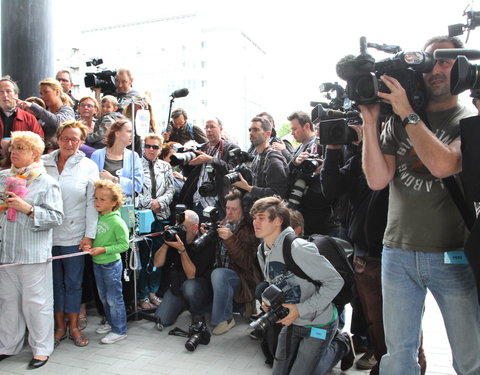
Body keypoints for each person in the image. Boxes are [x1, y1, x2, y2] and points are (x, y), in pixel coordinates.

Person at [361, 35, 480, 375]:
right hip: (397, 252)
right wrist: (371, 121)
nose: (436, 69)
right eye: (430, 61)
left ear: (462, 67)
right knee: (398, 357)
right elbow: (377, 180)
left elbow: (443, 165)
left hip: (452, 253)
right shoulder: (397, 120)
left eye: (445, 61)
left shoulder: (466, 121)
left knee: (470, 359)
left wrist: (408, 113)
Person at [250, 196, 352, 375]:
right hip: (291, 321)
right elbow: (274, 282)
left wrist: (301, 309)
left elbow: (335, 282)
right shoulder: (262, 251)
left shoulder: (298, 248)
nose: (255, 223)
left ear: (278, 221)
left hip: (318, 323)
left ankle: (341, 343)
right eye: (254, 218)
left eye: (261, 218)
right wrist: (268, 301)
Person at [0, 131, 63, 369]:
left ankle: (41, 349)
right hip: (6, 253)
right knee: (7, 302)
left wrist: (28, 209)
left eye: (20, 149)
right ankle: (7, 345)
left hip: (33, 254)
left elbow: (57, 217)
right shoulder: (3, 177)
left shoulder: (47, 182)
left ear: (35, 154)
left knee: (36, 303)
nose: (13, 152)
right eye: (13, 148)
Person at [42, 121, 99, 349]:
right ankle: (58, 327)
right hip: (45, 234)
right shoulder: (43, 162)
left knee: (73, 283)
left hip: (75, 234)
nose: (69, 143)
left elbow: (92, 204)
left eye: (75, 139)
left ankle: (74, 326)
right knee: (53, 284)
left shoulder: (88, 166)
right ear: (58, 138)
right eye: (65, 138)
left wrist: (89, 235)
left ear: (81, 142)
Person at [82, 180, 129, 344]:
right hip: (97, 263)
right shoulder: (96, 218)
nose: (97, 202)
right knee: (104, 297)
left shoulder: (117, 222)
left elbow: (124, 245)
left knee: (114, 298)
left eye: (102, 199)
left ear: (113, 202)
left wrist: (104, 250)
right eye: (96, 198)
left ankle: (120, 329)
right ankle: (110, 322)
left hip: (111, 265)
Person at [209, 189, 261, 335]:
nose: (229, 212)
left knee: (219, 275)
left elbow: (245, 263)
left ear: (243, 210)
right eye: (227, 208)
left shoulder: (249, 229)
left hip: (243, 277)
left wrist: (230, 239)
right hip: (224, 275)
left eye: (234, 209)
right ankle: (243, 305)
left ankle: (224, 319)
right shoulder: (224, 222)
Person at [153, 209, 215, 329]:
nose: (179, 229)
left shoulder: (204, 241)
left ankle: (198, 314)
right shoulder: (175, 238)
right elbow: (157, 263)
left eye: (183, 227)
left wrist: (182, 250)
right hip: (177, 286)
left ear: (194, 227)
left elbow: (191, 275)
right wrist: (167, 242)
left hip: (199, 287)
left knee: (190, 287)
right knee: (162, 320)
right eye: (177, 225)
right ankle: (184, 305)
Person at [137, 133, 174, 309]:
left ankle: (154, 292)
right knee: (144, 257)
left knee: (159, 257)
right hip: (143, 216)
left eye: (155, 147)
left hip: (161, 216)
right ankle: (143, 295)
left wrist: (160, 202)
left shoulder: (166, 166)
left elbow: (170, 190)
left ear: (160, 149)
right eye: (148, 146)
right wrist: (148, 203)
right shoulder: (135, 165)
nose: (151, 150)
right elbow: (133, 191)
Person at [287, 111, 339, 236]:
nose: (292, 133)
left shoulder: (320, 144)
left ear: (306, 126)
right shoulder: (299, 148)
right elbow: (288, 172)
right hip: (304, 209)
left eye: (295, 129)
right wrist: (295, 162)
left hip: (319, 212)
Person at [179, 117, 239, 220]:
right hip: (198, 201)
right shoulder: (201, 148)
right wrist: (185, 162)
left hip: (218, 202)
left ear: (220, 129)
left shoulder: (231, 148)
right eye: (206, 127)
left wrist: (210, 159)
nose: (209, 130)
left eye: (212, 127)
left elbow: (231, 170)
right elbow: (188, 174)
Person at [233, 116, 289, 202]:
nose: (251, 133)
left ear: (268, 134)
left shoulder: (273, 160)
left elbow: (278, 194)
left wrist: (248, 188)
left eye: (256, 130)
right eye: (250, 130)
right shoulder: (258, 156)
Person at [90, 118, 143, 201]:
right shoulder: (97, 155)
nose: (133, 135)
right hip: (101, 208)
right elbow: (91, 184)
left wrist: (114, 179)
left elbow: (137, 186)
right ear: (117, 133)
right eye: (129, 131)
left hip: (124, 207)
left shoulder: (133, 156)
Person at [0, 76, 43, 141]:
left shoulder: (29, 119)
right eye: (1, 92)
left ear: (16, 95)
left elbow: (39, 142)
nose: (5, 95)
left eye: (8, 91)